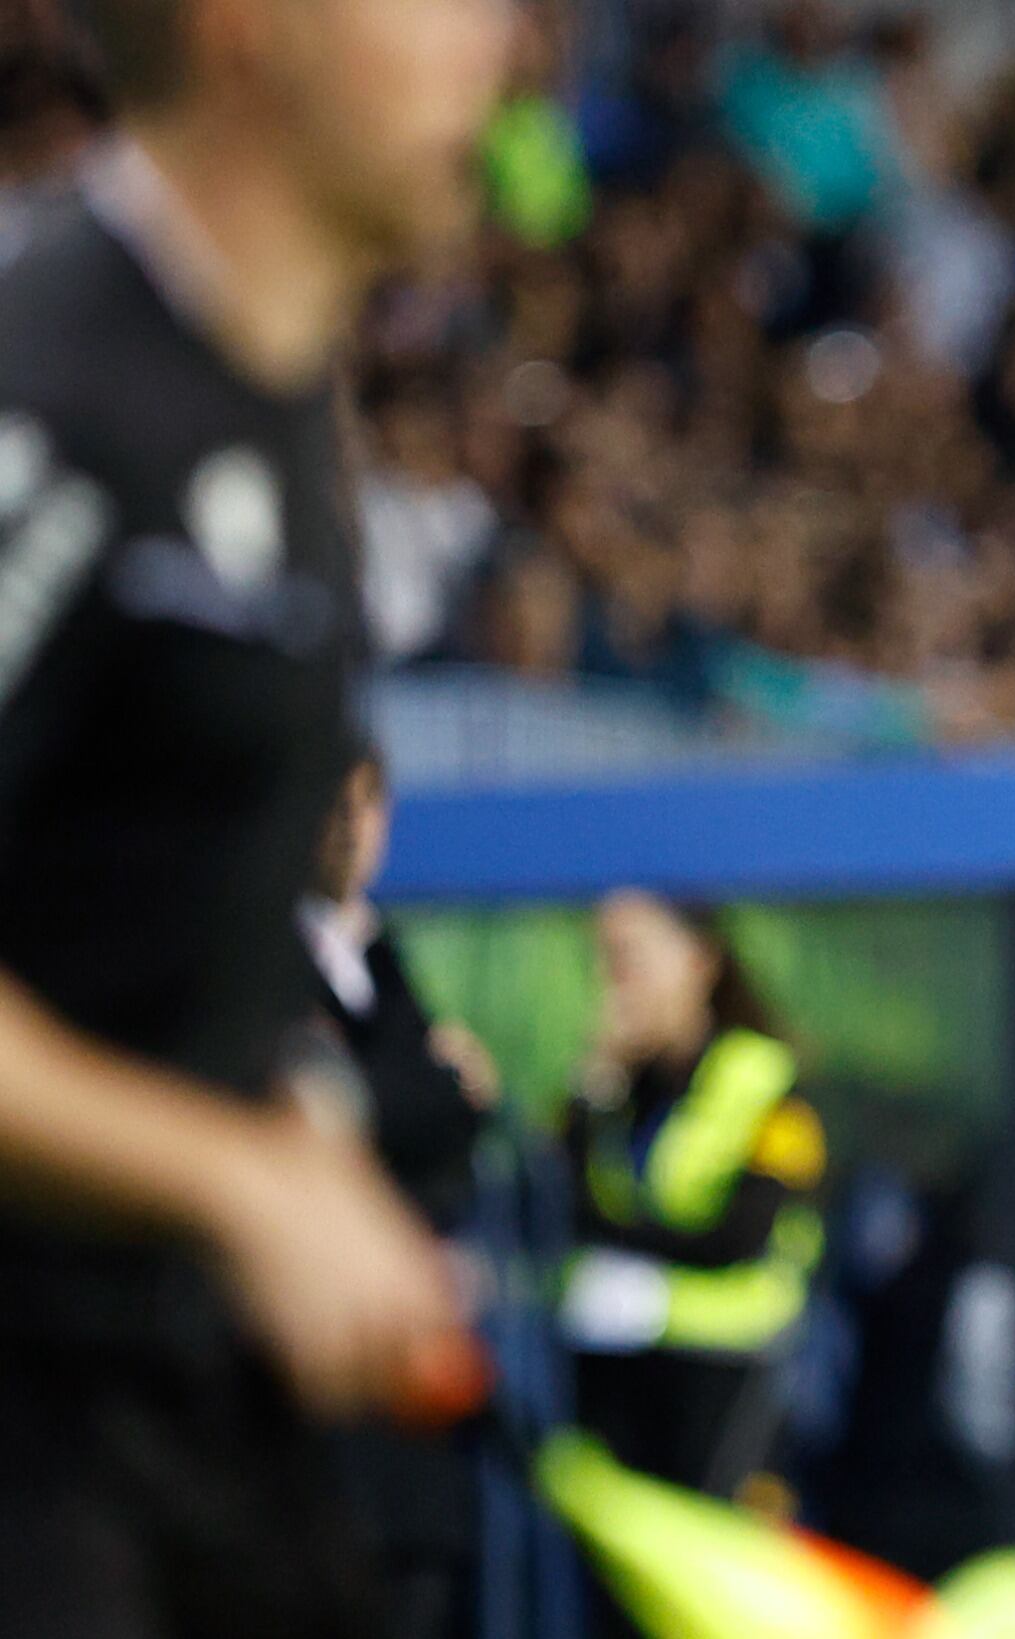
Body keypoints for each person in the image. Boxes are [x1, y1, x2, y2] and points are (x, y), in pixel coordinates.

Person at [0, 0, 505, 1632]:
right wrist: (240, 1181)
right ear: (248, 31)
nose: (492, 50)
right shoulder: (50, 399)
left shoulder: (289, 411)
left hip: (192, 1399)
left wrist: (303, 1141)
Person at [300, 744, 498, 1639]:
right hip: (321, 1440)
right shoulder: (257, 958)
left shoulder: (384, 961)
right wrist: (434, 1089)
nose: (354, 823)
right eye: (334, 798)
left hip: (411, 1443)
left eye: (372, 801)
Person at [560, 890, 826, 1499]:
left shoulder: (767, 1077)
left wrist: (639, 1275)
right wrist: (590, 1094)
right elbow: (566, 1206)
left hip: (733, 1376)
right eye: (602, 962)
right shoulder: (619, 1090)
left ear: (700, 960)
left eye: (631, 960)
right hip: (624, 1374)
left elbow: (747, 1230)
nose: (614, 984)